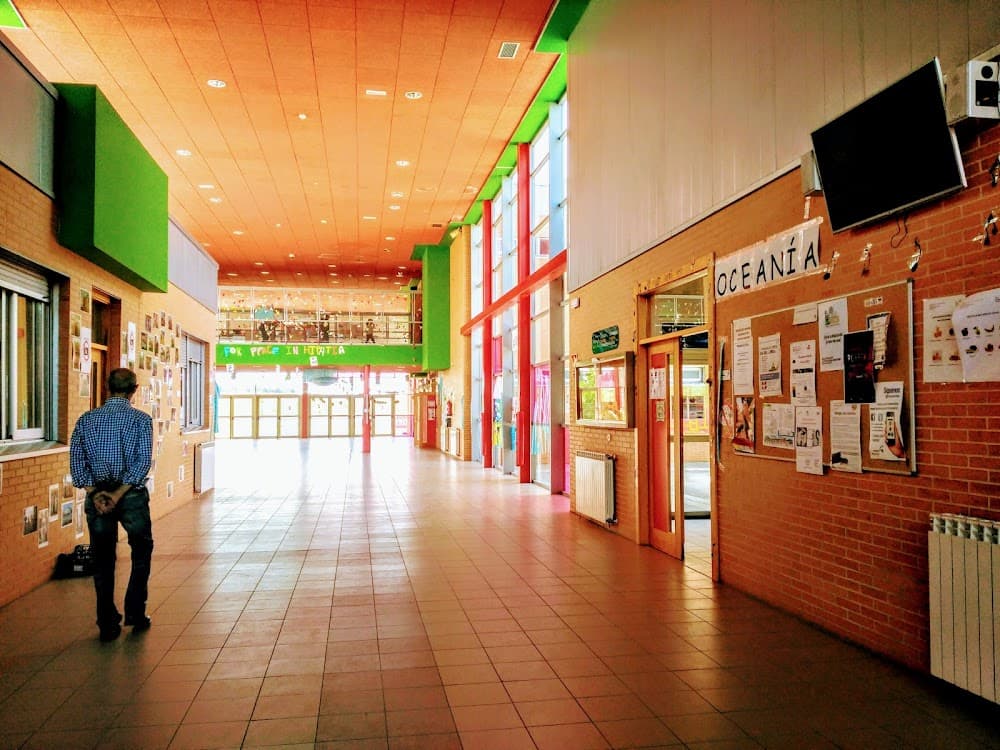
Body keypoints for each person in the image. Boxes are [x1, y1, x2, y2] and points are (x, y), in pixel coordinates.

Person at [70, 368, 153, 642]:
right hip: (130, 495)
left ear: (107, 388)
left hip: (98, 497)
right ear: (134, 389)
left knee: (103, 559)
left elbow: (77, 463)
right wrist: (118, 494)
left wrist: (94, 492)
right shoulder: (141, 420)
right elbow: (142, 462)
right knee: (141, 552)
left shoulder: (86, 420)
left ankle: (107, 622)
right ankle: (135, 613)